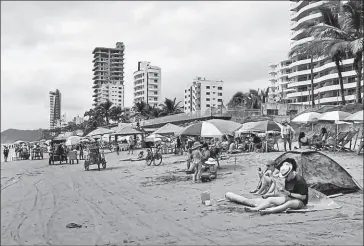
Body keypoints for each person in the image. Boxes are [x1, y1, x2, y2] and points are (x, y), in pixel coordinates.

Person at [226, 161, 308, 215]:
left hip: (301, 201)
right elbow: (286, 191)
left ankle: (270, 211)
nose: (285, 178)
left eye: (286, 176)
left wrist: (289, 193)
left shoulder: (300, 181)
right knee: (270, 199)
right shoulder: (287, 179)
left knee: (288, 204)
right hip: (290, 197)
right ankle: (256, 209)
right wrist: (283, 191)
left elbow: (303, 197)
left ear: (290, 173)